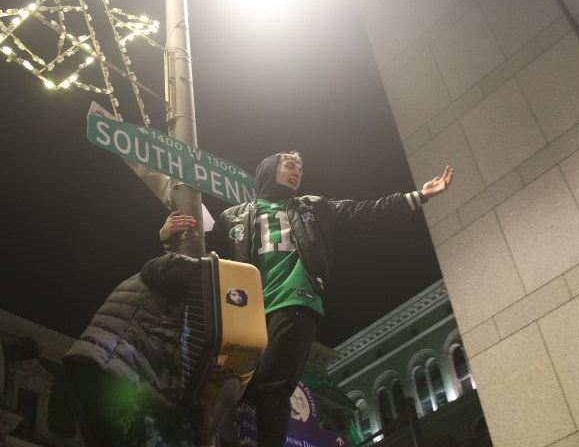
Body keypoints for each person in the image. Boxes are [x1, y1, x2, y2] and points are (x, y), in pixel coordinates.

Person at [160, 151, 453, 447]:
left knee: (272, 383)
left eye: (300, 169)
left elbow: (365, 213)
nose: (297, 172)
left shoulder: (315, 208)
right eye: (290, 165)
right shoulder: (233, 216)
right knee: (234, 383)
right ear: (269, 170)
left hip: (297, 302)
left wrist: (418, 197)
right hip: (248, 309)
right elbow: (198, 255)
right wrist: (168, 237)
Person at [63, 252, 203, 447]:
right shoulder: (173, 277)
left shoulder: (156, 282)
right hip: (130, 377)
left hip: (121, 375)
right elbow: (181, 268)